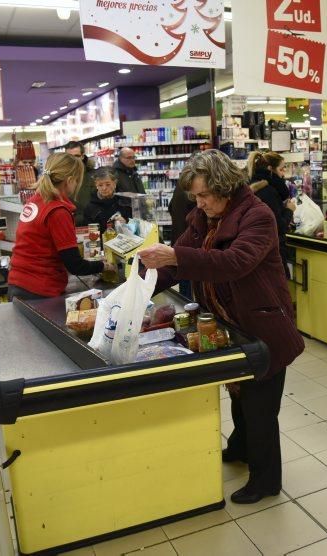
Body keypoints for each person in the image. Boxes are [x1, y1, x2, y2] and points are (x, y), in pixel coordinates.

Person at [138, 150, 304, 505]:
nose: (199, 203)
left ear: (225, 186)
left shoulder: (257, 215)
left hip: (264, 325)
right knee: (239, 398)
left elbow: (235, 263)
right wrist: (136, 290)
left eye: (204, 195)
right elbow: (174, 264)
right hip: (231, 323)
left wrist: (176, 257)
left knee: (261, 408)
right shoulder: (204, 217)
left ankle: (266, 481)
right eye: (195, 196)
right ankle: (241, 448)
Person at [7, 153, 106, 300]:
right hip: (39, 290)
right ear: (70, 181)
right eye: (78, 180)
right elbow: (75, 265)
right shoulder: (58, 211)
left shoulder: (36, 200)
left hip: (18, 283)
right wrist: (103, 266)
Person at [247, 151, 296, 277]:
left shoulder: (252, 186)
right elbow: (278, 226)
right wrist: (289, 210)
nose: (283, 173)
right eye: (281, 169)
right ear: (270, 169)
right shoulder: (269, 192)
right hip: (272, 253)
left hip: (257, 252)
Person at [167, 183, 196, 299]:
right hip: (190, 241)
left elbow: (170, 207)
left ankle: (186, 303)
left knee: (183, 278)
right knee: (188, 279)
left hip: (178, 237)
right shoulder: (196, 188)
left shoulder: (180, 186)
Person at [83, 167, 128, 233]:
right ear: (96, 185)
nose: (104, 188)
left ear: (115, 183)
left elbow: (134, 224)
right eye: (100, 185)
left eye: (108, 184)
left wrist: (126, 222)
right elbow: (90, 233)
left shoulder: (124, 201)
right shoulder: (90, 207)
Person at [63, 141, 97, 226]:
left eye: (77, 156)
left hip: (91, 224)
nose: (73, 159)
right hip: (69, 223)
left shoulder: (94, 175)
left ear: (82, 156)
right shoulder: (60, 177)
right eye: (70, 156)